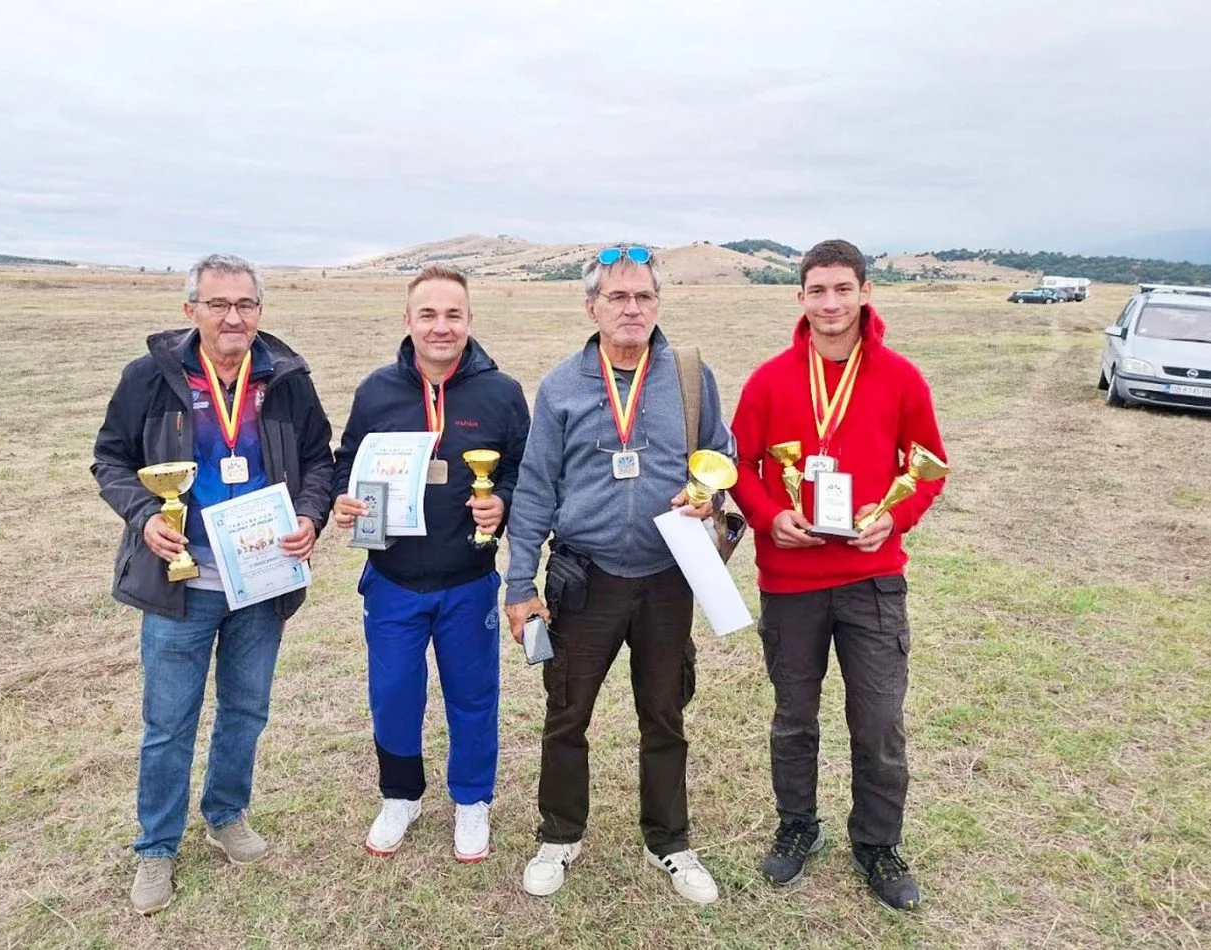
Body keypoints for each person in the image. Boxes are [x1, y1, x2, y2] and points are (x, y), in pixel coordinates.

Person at [92, 253, 335, 915]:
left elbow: (319, 459)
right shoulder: (149, 378)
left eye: (245, 305)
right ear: (190, 310)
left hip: (261, 579)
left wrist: (310, 516)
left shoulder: (286, 379)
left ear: (260, 311)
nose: (233, 317)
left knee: (246, 710)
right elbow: (110, 459)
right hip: (181, 585)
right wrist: (145, 517)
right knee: (169, 722)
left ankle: (226, 813)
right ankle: (156, 847)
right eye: (219, 304)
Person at [503, 244, 733, 905]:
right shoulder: (562, 386)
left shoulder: (689, 375)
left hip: (667, 576)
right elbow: (536, 489)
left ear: (657, 304)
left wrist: (710, 494)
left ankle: (670, 841)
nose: (632, 308)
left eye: (644, 296)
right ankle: (559, 835)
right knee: (566, 712)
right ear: (592, 307)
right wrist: (520, 585)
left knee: (664, 713)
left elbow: (721, 453)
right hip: (585, 577)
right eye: (618, 297)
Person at [728, 239, 948, 911]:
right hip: (791, 580)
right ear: (800, 297)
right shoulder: (769, 380)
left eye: (842, 289)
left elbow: (928, 467)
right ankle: (797, 825)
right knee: (794, 717)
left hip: (871, 578)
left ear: (864, 293)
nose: (830, 303)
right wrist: (770, 517)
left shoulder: (901, 378)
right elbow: (739, 467)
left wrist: (895, 518)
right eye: (817, 290)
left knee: (878, 721)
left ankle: (877, 844)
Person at [331, 265, 530, 863]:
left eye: (452, 314)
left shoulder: (502, 393)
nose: (441, 327)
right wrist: (342, 498)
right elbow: (347, 460)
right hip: (392, 579)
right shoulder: (376, 391)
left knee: (473, 695)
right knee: (393, 693)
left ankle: (472, 799)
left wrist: (504, 502)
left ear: (469, 319)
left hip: (468, 579)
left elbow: (525, 471)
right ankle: (400, 795)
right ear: (408, 320)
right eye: (428, 314)